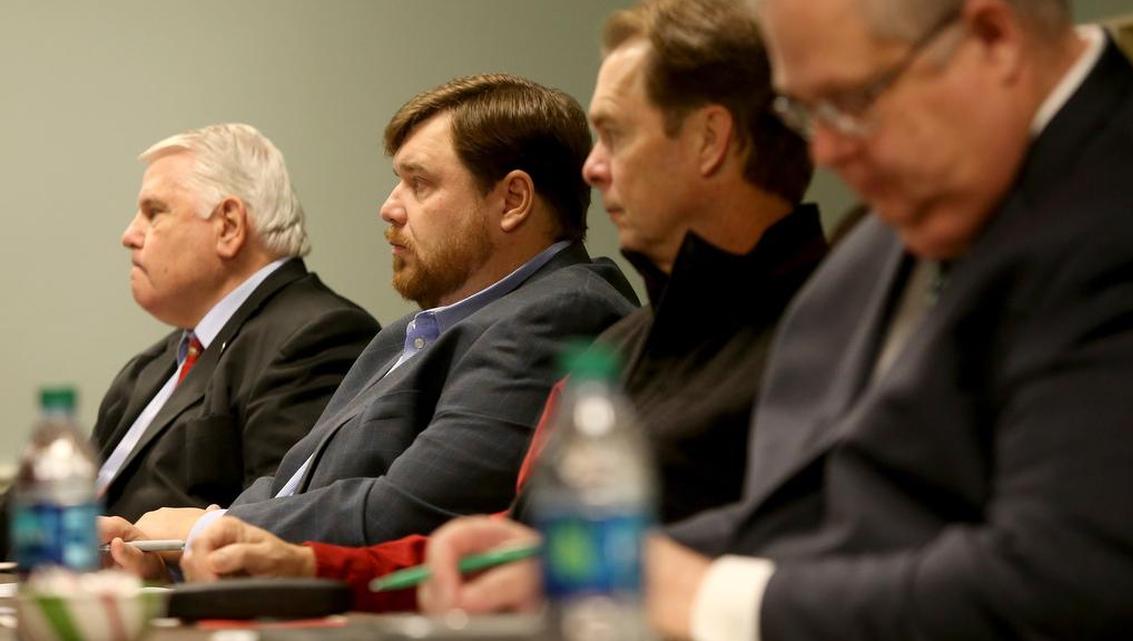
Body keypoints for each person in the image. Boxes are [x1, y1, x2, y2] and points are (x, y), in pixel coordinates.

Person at [416, 1, 1133, 639]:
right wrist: (593, 564)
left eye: (854, 99)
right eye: (804, 112)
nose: (823, 150)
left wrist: (709, 597)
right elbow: (828, 510)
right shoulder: (890, 231)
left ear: (993, 37)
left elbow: (1065, 586)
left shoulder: (1111, 206)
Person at [175, 0, 828, 610]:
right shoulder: (628, 344)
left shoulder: (829, 327)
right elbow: (515, 549)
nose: (594, 170)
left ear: (711, 139)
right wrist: (313, 564)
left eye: (615, 135)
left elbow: (804, 563)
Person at [101, 74, 639, 574]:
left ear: (512, 200)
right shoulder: (403, 337)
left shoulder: (561, 312)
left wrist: (203, 531)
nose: (388, 208)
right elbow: (289, 484)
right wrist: (171, 558)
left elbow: (412, 509)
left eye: (419, 184)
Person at [97, 123, 380, 522]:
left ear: (229, 226)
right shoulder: (154, 364)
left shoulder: (317, 336)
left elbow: (282, 523)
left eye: (154, 212)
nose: (130, 235)